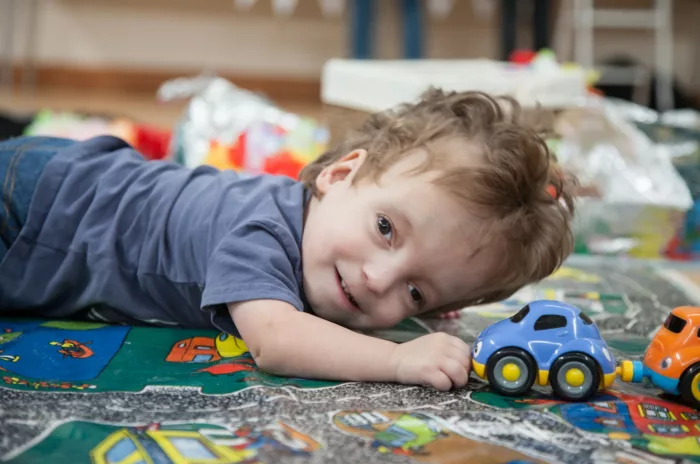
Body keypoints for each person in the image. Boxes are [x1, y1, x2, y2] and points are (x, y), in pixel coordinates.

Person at [0, 89, 574, 391]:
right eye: (385, 229)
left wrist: (427, 314)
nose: (378, 278)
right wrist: (399, 359)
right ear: (338, 174)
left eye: (417, 292)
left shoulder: (324, 234)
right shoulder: (261, 228)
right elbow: (275, 341)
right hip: (30, 209)